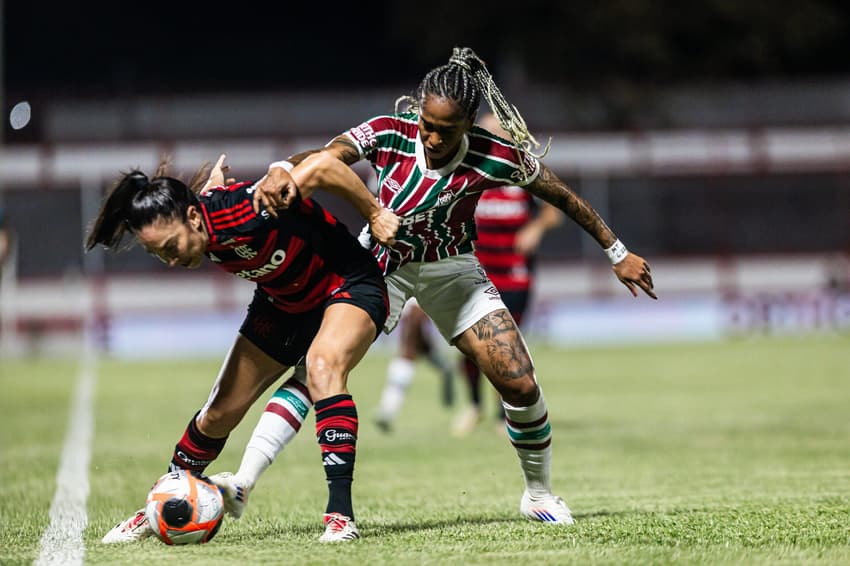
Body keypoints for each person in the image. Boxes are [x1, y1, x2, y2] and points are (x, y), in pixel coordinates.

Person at [217, 46, 656, 527]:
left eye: (445, 130)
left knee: (521, 382)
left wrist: (617, 252)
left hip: (454, 269)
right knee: (320, 367)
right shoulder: (390, 132)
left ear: (469, 123)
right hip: (380, 266)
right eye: (427, 123)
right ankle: (242, 481)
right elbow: (330, 155)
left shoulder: (496, 157)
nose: (431, 136)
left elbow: (561, 195)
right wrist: (284, 167)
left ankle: (539, 495)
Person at [87, 152, 396, 543]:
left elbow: (323, 166)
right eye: (158, 253)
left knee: (322, 368)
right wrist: (213, 187)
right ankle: (162, 501)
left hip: (347, 282)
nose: (170, 259)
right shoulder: (202, 216)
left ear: (193, 219)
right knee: (218, 412)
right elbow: (209, 199)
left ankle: (340, 515)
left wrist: (374, 213)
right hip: (284, 302)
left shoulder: (249, 207)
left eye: (170, 245)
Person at [452, 114, 564, 436]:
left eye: (500, 130)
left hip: (515, 275)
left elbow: (554, 209)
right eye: (488, 131)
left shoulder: (522, 173)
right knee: (470, 347)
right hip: (475, 275)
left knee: (506, 348)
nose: (495, 135)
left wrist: (536, 227)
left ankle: (506, 416)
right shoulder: (467, 172)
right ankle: (474, 406)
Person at [373, 298, 456, 432]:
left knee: (405, 362)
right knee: (400, 380)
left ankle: (387, 412)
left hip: (405, 355)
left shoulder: (413, 308)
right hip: (406, 357)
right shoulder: (415, 309)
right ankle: (387, 413)